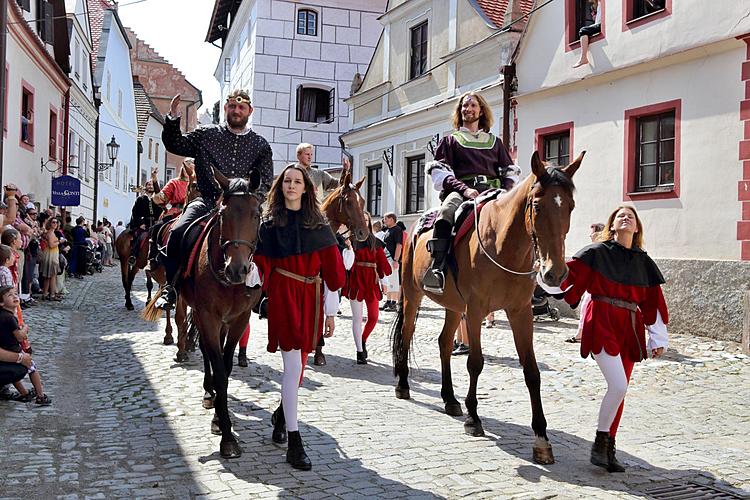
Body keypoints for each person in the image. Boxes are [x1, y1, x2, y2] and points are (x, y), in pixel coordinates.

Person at [544, 205, 669, 472]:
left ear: (636, 228)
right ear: (611, 225)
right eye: (620, 216)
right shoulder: (596, 253)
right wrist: (543, 275)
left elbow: (652, 302)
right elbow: (568, 277)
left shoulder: (643, 261)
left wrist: (657, 337)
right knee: (619, 386)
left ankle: (608, 448)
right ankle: (600, 443)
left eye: (631, 216)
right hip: (601, 319)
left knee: (619, 391)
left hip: (630, 327)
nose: (625, 218)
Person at [254, 165, 346, 471]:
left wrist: (331, 312)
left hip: (311, 298)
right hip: (283, 295)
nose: (292, 185)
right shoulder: (268, 225)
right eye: (287, 181)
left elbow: (333, 274)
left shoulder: (319, 226)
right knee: (293, 367)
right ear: (281, 187)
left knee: (299, 365)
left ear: (307, 188)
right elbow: (262, 266)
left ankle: (282, 414)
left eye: (297, 181)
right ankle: (294, 442)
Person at [155, 89, 274, 310]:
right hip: (206, 200)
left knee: (268, 238)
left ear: (250, 111)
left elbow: (265, 182)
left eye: (241, 107)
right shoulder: (206, 134)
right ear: (226, 108)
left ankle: (264, 294)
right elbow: (176, 145)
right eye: (232, 106)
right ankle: (170, 287)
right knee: (178, 232)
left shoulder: (261, 145)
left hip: (242, 207)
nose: (236, 110)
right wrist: (172, 119)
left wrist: (244, 198)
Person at [423, 91, 520, 294]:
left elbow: (509, 172)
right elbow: (441, 173)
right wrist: (465, 190)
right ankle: (437, 269)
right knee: (446, 213)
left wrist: (508, 193)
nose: (468, 109)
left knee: (520, 216)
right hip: (462, 191)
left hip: (495, 191)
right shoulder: (450, 141)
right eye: (464, 106)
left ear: (481, 110)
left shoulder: (495, 142)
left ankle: (529, 275)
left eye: (473, 105)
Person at [343, 212, 390, 364]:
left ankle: (362, 339)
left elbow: (382, 262)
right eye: (360, 219)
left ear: (369, 222)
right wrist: (349, 248)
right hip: (356, 279)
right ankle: (359, 351)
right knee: (357, 318)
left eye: (366, 219)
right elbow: (347, 265)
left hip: (371, 281)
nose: (363, 222)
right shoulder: (350, 240)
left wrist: (385, 282)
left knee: (374, 317)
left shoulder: (375, 241)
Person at [0, 286, 51, 405]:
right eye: (10, 295)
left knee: (12, 374)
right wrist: (25, 329)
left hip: (5, 351)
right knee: (31, 368)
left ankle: (24, 393)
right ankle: (40, 396)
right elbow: (19, 336)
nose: (14, 296)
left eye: (15, 294)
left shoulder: (3, 315)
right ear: (1, 303)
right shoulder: (9, 318)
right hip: (13, 350)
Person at [147, 159, 195, 271]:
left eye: (193, 165)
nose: (191, 167)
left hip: (195, 211)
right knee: (157, 227)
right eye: (188, 165)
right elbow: (161, 199)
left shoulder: (198, 182)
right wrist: (155, 181)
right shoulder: (174, 183)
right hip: (175, 212)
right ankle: (152, 258)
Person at [566, 222, 605, 343]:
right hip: (593, 285)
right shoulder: (597, 248)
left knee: (587, 307)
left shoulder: (601, 248)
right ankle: (582, 333)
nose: (590, 236)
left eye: (592, 234)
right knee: (586, 307)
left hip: (599, 286)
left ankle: (583, 334)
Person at [127, 167, 162, 266]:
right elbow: (135, 213)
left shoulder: (157, 198)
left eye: (152, 185)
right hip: (144, 224)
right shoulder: (141, 199)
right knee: (140, 237)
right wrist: (140, 223)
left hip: (156, 223)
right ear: (146, 186)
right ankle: (133, 256)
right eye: (149, 185)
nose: (151, 186)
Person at [380, 213, 403, 312]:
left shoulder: (397, 230)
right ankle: (388, 301)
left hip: (392, 259)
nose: (384, 220)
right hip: (386, 259)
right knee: (388, 281)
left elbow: (399, 245)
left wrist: (396, 260)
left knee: (393, 281)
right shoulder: (387, 230)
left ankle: (393, 303)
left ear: (392, 219)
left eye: (385, 219)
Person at [573, 0, 602, 68]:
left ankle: (583, 57)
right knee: (584, 31)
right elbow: (595, 18)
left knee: (583, 30)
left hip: (602, 24)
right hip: (598, 24)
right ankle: (583, 58)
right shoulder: (593, 6)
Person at [39, 219, 61, 301]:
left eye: (56, 222)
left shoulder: (50, 232)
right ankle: (51, 294)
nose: (55, 224)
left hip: (51, 254)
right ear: (50, 223)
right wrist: (60, 241)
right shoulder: (51, 233)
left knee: (48, 276)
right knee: (52, 275)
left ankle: (45, 294)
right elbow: (52, 245)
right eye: (53, 222)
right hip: (51, 255)